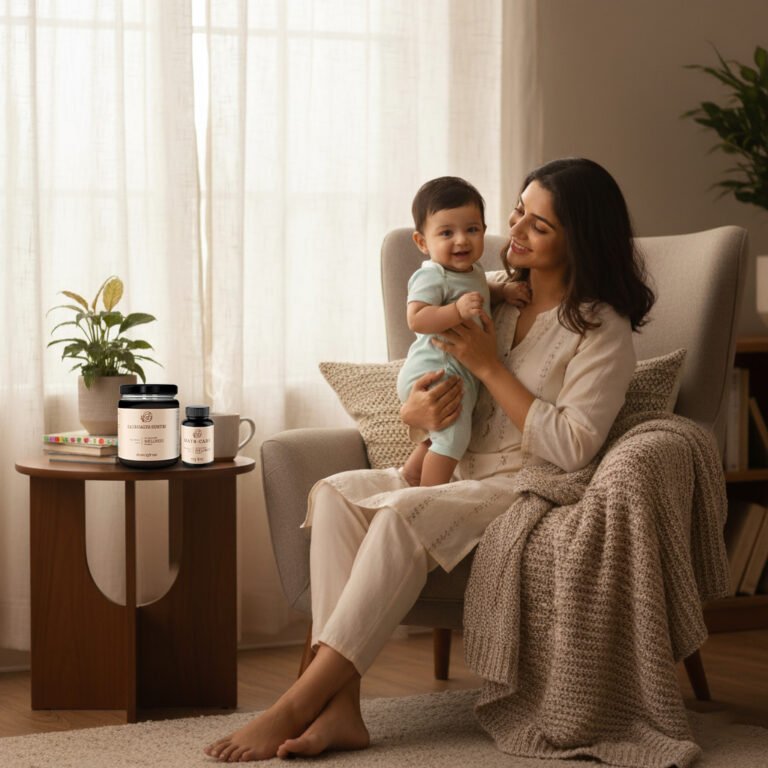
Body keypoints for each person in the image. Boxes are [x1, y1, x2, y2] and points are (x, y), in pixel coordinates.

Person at [204, 157, 655, 763]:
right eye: (519, 209)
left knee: (400, 515)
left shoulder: (602, 328)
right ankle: (342, 712)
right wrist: (415, 416)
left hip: (525, 486)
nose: (514, 230)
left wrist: (492, 367)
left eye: (538, 226)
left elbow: (575, 445)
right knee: (336, 494)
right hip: (452, 467)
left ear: (581, 240)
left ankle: (296, 702)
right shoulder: (486, 292)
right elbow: (435, 374)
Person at [399, 176, 531, 487]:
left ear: (484, 231)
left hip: (454, 371)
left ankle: (412, 474)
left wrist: (501, 292)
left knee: (439, 435)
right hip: (436, 370)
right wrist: (455, 312)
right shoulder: (430, 275)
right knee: (453, 440)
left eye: (471, 229)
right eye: (446, 233)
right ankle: (430, 496)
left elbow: (479, 289)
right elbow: (416, 319)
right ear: (422, 242)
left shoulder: (472, 272)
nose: (461, 240)